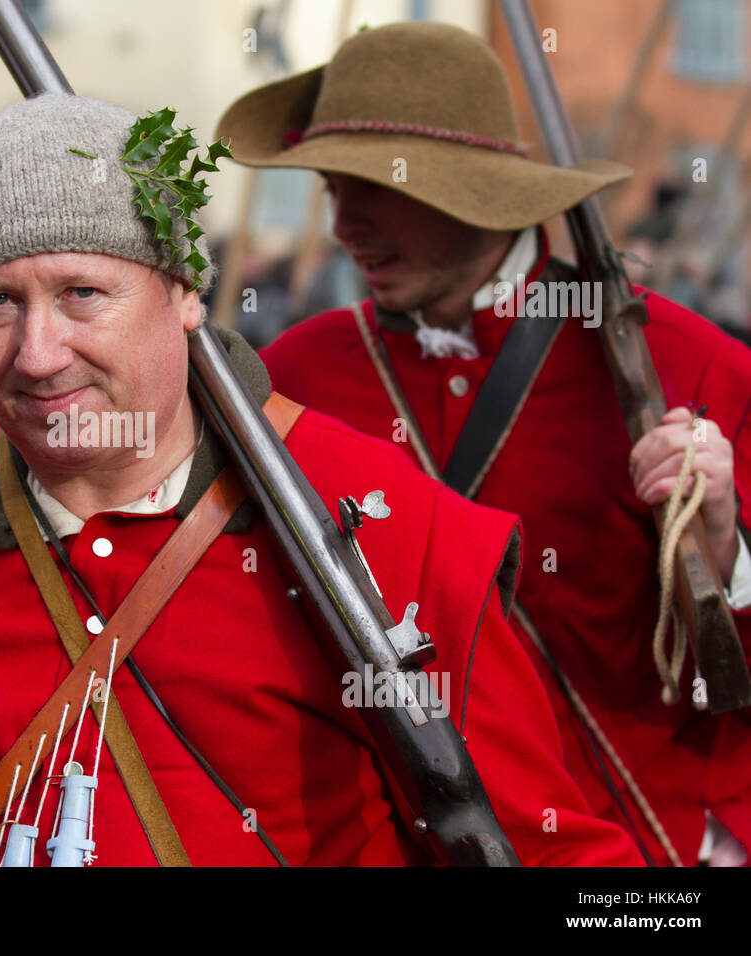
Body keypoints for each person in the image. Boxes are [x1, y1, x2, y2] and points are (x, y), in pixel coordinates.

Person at [0, 93, 641, 866]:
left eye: (82, 294)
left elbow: (552, 848)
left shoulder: (397, 527)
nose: (38, 353)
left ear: (184, 292)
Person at [218, 21, 751, 866]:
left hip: (645, 858)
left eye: (374, 188)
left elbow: (734, 685)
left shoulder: (693, 364)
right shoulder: (292, 375)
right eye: (331, 188)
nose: (345, 224)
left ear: (474, 190)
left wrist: (721, 543)